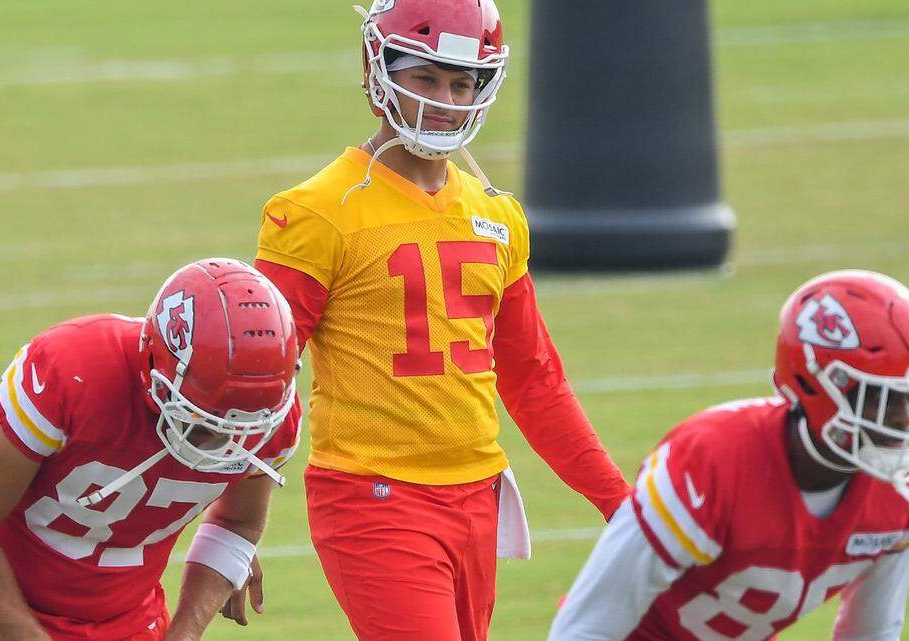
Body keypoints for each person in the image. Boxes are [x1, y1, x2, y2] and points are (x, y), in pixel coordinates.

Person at [251, 1, 630, 639]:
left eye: (461, 83)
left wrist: (622, 506)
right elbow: (257, 381)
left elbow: (534, 379)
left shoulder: (497, 215)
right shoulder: (315, 210)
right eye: (424, 77)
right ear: (378, 72)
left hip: (478, 495)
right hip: (372, 496)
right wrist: (233, 530)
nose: (443, 100)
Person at [548, 270, 909, 641]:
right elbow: (585, 628)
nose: (906, 421)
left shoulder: (903, 484)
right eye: (884, 399)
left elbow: (873, 633)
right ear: (817, 385)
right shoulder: (713, 461)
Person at [0, 258, 302, 641]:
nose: (218, 443)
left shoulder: (266, 417)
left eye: (237, 427)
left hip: (129, 619)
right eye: (201, 420)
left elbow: (238, 522)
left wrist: (184, 633)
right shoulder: (74, 371)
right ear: (157, 363)